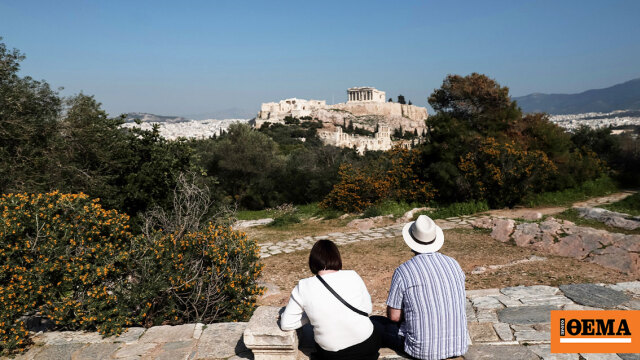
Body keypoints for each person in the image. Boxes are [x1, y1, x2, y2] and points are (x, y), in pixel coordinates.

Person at [372, 215, 469, 360]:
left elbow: (394, 316)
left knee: (376, 323)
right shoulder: (453, 264)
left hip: (423, 351)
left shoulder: (404, 271)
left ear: (411, 241)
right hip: (459, 346)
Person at [279, 239, 380, 360]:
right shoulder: (353, 275)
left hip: (332, 354)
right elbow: (367, 310)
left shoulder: (303, 286)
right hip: (366, 346)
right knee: (380, 324)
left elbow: (286, 323)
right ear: (337, 257)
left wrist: (311, 315)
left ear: (313, 261)